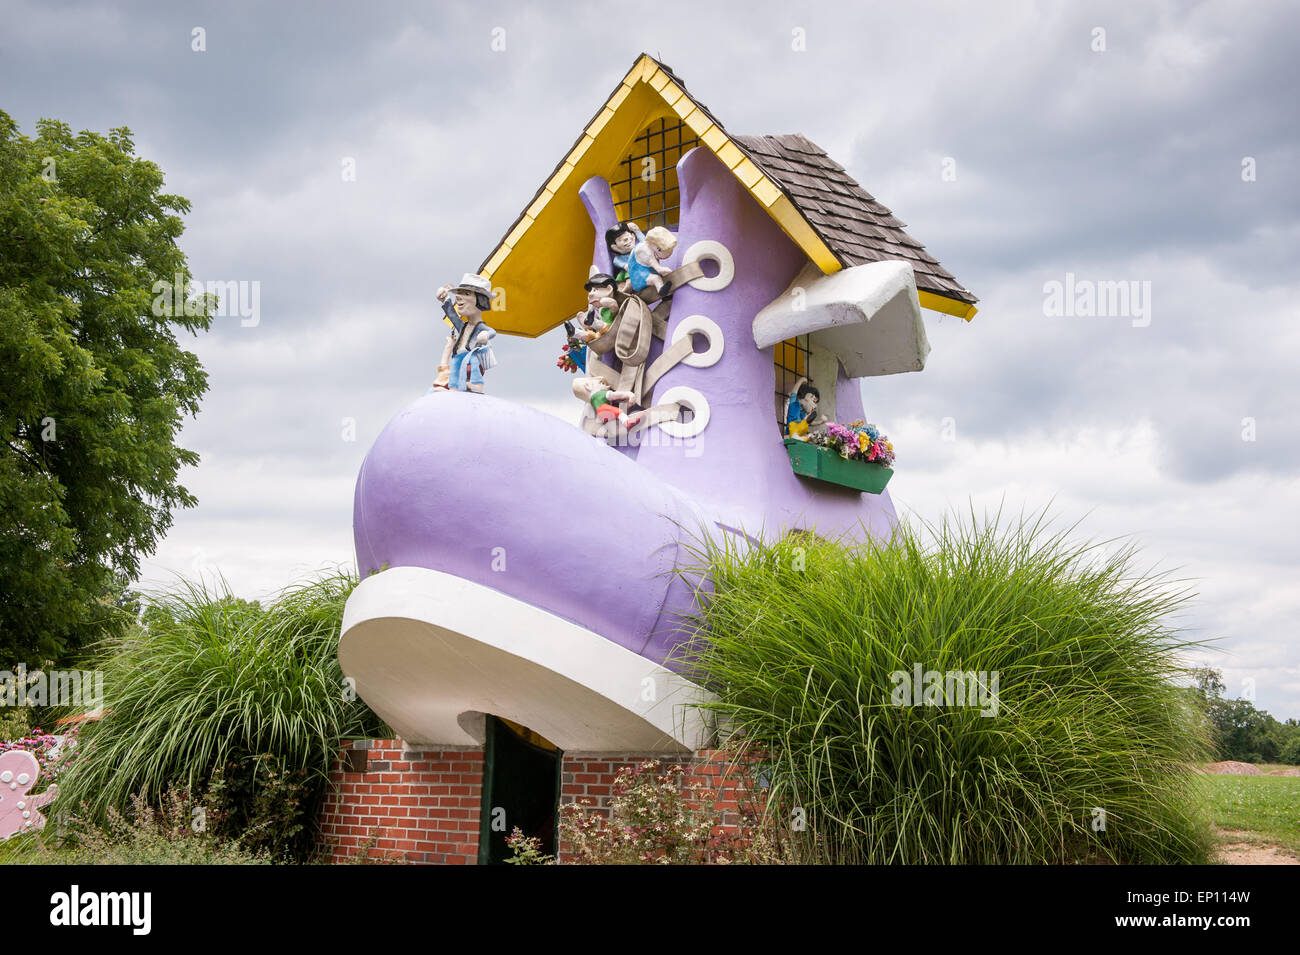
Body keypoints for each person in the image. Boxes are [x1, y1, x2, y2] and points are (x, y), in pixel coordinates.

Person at [430, 273, 497, 393]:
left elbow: (491, 331)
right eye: (459, 293)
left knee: (474, 362)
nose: (459, 297)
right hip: (458, 357)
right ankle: (453, 387)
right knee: (455, 366)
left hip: (472, 358)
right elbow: (452, 315)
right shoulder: (463, 327)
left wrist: (486, 335)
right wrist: (445, 300)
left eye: (466, 294)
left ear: (480, 300)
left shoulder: (480, 327)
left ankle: (476, 384)